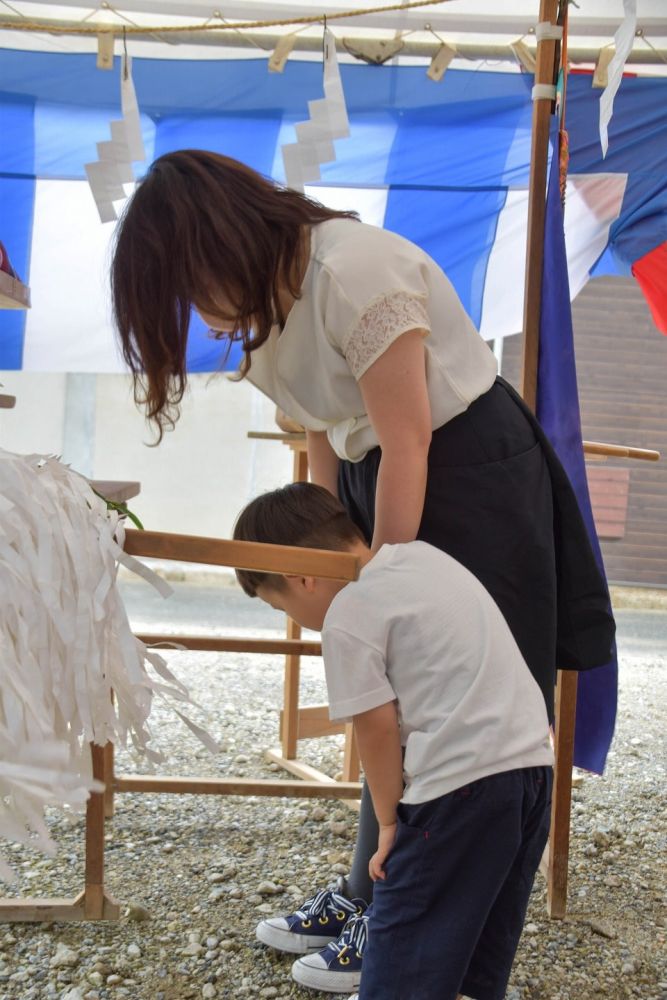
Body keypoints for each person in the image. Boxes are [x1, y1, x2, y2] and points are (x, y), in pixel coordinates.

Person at [111, 149, 614, 990]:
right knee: (391, 697)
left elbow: (411, 435)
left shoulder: (354, 270)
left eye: (189, 284)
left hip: (466, 468)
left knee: (476, 713)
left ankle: (427, 919)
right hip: (374, 470)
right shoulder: (271, 304)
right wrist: (315, 549)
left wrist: (379, 589)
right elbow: (319, 432)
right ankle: (371, 896)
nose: (195, 309)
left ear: (219, 243)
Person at [233, 482, 554, 1000]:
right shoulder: (420, 557)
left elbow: (375, 729)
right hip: (531, 771)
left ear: (301, 577)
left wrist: (388, 822)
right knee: (474, 947)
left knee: (404, 951)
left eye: (282, 606)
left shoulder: (348, 614)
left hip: (459, 789)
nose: (295, 622)